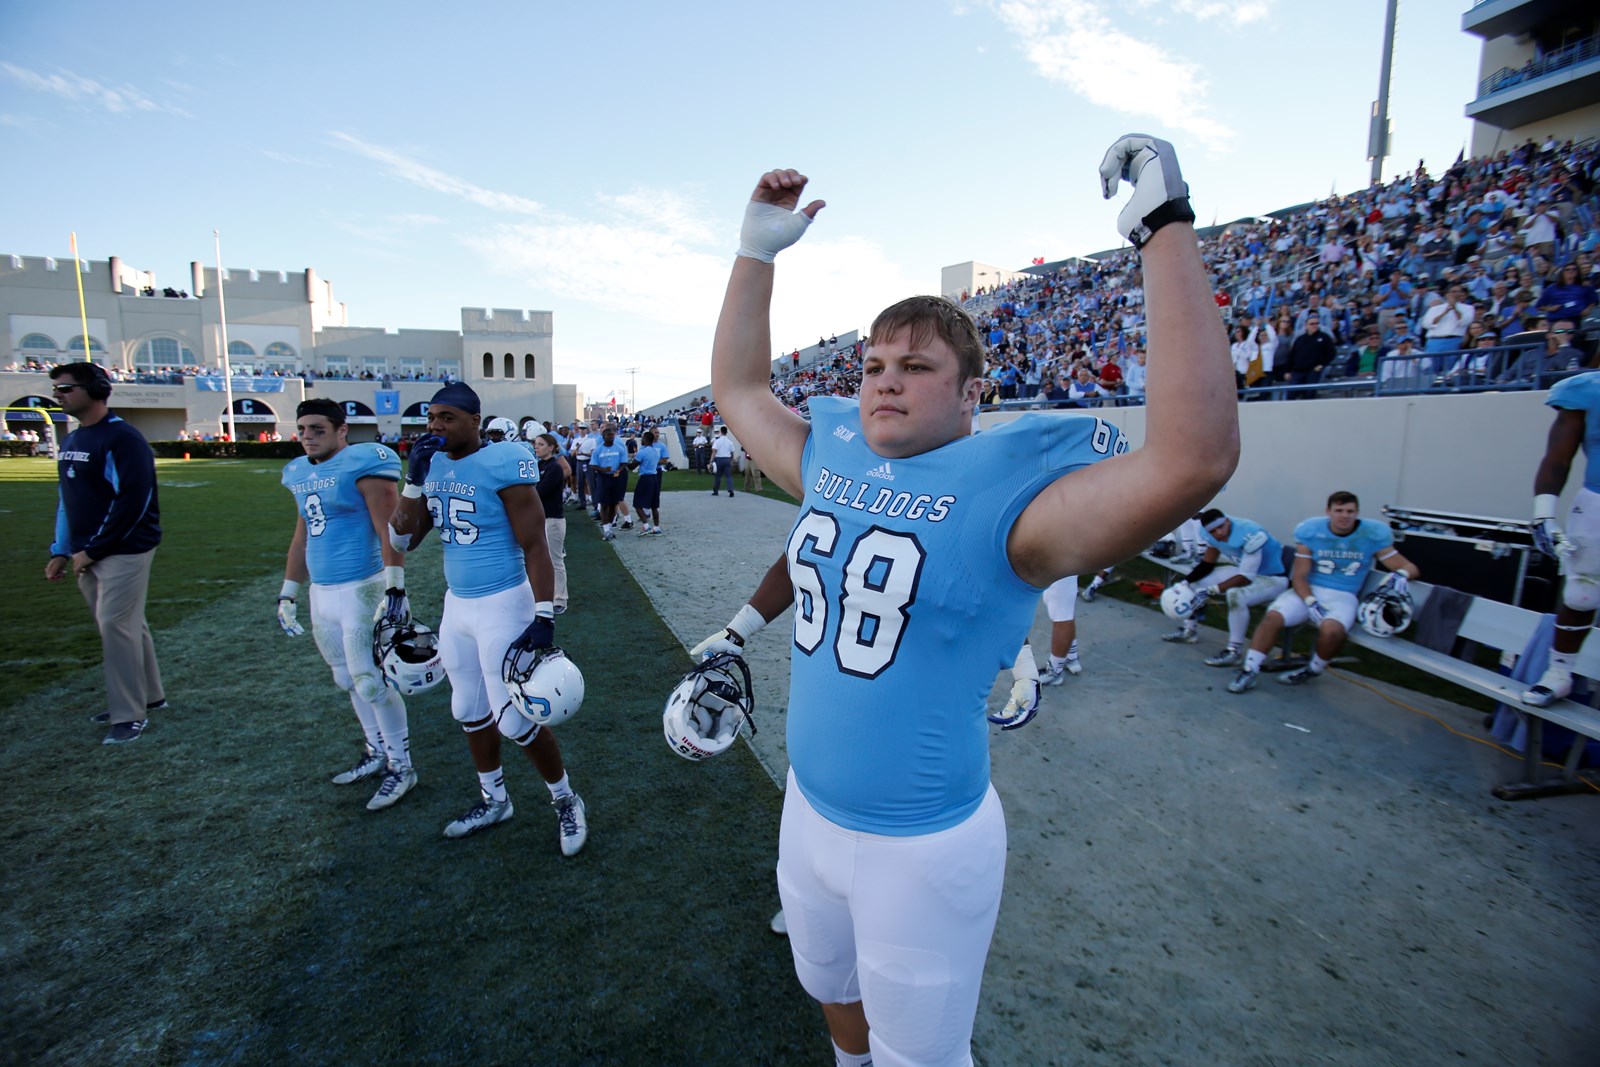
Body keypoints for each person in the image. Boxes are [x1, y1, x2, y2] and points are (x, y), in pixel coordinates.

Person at [709, 138, 1237, 1065]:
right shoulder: (834, 453)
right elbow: (740, 387)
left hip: (920, 842)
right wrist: (755, 253)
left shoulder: (1009, 498)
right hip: (807, 807)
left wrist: (1162, 229)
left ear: (971, 395)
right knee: (831, 994)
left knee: (923, 1053)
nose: (883, 379)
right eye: (873, 364)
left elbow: (1193, 460)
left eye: (914, 367)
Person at [388, 383, 588, 852]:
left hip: (503, 601)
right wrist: (413, 482)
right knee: (467, 711)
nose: (435, 426)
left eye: (447, 417)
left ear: (475, 420)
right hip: (457, 603)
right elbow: (402, 543)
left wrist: (543, 615)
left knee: (515, 721)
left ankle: (566, 800)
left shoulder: (504, 460)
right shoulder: (431, 465)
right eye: (431, 418)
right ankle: (494, 799)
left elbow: (536, 543)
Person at [277, 398, 416, 808]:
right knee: (345, 678)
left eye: (317, 429)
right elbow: (302, 535)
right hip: (322, 591)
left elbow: (389, 529)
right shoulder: (300, 473)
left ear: (342, 431)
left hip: (361, 587)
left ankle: (402, 765)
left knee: (371, 680)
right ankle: (376, 751)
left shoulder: (364, 464)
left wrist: (395, 588)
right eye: (302, 429)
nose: (307, 437)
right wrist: (289, 591)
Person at [45, 362, 166, 744]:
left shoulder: (123, 439)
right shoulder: (72, 441)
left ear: (95, 389)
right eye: (56, 389)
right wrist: (62, 549)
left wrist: (95, 549)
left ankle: (128, 714)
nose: (58, 395)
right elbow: (68, 501)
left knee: (116, 627)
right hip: (87, 551)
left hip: (123, 549)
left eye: (66, 388)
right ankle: (151, 696)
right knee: (126, 624)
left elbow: (133, 500)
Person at [1226, 492, 1419, 693]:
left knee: (1333, 631)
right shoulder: (1313, 531)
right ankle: (1250, 670)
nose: (1344, 516)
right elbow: (1300, 576)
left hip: (1343, 595)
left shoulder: (1370, 534)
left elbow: (1410, 567)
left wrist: (1402, 574)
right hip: (1309, 591)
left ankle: (1312, 669)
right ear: (1328, 511)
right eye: (1339, 510)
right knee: (1272, 618)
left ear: (1357, 513)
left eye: (1350, 511)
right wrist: (1310, 601)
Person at [1523, 370, 1600, 707]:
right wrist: (1544, 512)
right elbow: (1558, 457)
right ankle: (1558, 673)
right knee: (1581, 595)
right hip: (1597, 500)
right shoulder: (1587, 389)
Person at [1159, 509, 1291, 668]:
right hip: (1245, 568)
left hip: (1272, 577)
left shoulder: (1250, 532)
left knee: (1236, 596)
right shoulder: (1208, 533)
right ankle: (1189, 631)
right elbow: (1207, 564)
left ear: (1227, 521)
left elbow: (1246, 577)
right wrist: (1185, 583)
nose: (1219, 532)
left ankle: (1234, 651)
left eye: (1221, 527)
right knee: (1196, 584)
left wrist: (1212, 590)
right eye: (1213, 531)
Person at [530, 433, 571, 613]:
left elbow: (539, 491)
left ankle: (560, 599)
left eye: (540, 444)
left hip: (553, 519)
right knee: (537, 559)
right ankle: (541, 596)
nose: (536, 447)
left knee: (555, 560)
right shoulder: (540, 465)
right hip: (540, 519)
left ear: (551, 447)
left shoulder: (554, 468)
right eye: (535, 444)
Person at [589, 423, 630, 540]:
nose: (611, 437)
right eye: (608, 435)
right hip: (603, 477)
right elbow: (593, 465)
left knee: (614, 504)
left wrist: (619, 470)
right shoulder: (598, 450)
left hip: (616, 478)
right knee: (604, 503)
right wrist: (603, 469)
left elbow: (624, 462)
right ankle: (606, 529)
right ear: (604, 437)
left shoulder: (619, 448)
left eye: (612, 435)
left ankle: (610, 526)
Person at [632, 428, 664, 535]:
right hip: (654, 477)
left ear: (645, 439)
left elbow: (633, 466)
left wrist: (623, 463)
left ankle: (646, 526)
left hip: (645, 478)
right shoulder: (656, 451)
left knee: (637, 503)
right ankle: (656, 527)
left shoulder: (642, 452)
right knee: (654, 505)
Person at [709, 425, 736, 496]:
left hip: (719, 460)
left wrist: (711, 461)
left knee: (718, 476)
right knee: (728, 476)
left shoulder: (717, 441)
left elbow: (714, 452)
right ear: (726, 432)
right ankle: (730, 490)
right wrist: (732, 461)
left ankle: (716, 491)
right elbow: (732, 452)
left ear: (720, 432)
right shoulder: (730, 442)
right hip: (727, 460)